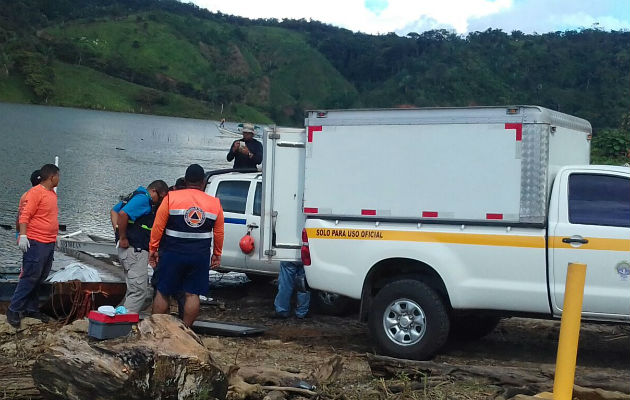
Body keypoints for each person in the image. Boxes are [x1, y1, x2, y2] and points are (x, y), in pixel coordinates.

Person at [149, 164, 224, 327]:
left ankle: (157, 330)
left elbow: (158, 227)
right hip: (199, 255)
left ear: (185, 180)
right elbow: (219, 233)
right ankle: (186, 330)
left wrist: (153, 249)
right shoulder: (214, 203)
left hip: (172, 253)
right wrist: (217, 253)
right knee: (192, 294)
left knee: (163, 291)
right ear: (203, 182)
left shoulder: (171, 198)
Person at [6, 164, 60, 327]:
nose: (59, 179)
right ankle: (14, 309)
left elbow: (48, 216)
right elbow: (24, 215)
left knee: (41, 275)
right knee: (30, 275)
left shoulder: (51, 194)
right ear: (52, 177)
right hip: (36, 241)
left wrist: (54, 236)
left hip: (48, 241)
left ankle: (31, 308)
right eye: (58, 176)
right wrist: (22, 235)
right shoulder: (35, 193)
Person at [110, 180, 169, 313]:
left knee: (134, 289)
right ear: (153, 191)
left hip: (128, 251)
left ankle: (118, 314)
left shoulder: (135, 195)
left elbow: (114, 211)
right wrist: (122, 236)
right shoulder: (143, 199)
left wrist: (117, 231)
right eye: (160, 198)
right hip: (134, 250)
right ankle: (122, 324)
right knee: (139, 291)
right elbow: (122, 214)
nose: (160, 202)